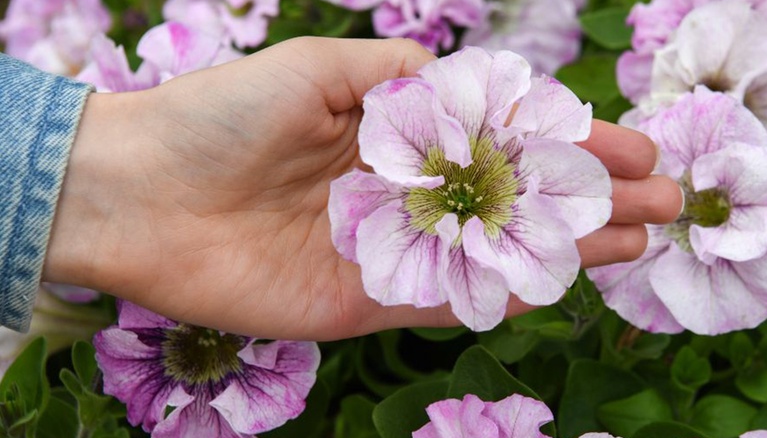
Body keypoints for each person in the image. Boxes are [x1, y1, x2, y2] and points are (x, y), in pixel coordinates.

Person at [1, 37, 683, 341]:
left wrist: (75, 175)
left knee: (600, 200)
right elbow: (398, 112)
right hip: (409, 195)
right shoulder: (406, 179)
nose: (463, 200)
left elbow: (581, 195)